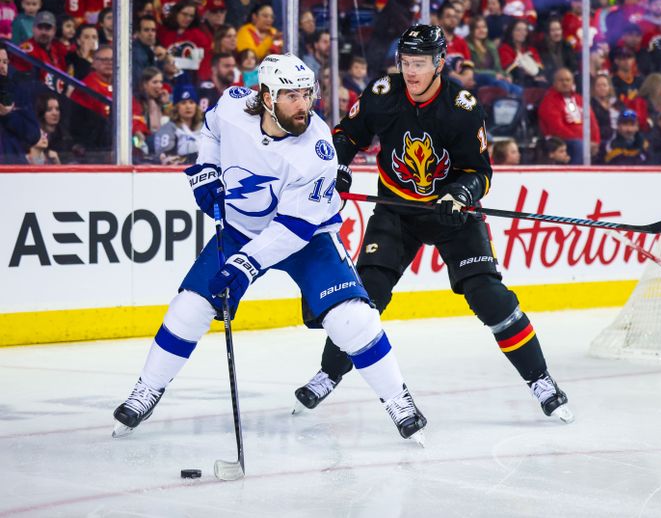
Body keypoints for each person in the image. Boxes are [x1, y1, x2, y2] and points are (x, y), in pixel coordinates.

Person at [112, 53, 427, 442]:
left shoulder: (316, 149)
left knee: (352, 319)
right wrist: (206, 170)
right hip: (242, 229)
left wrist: (244, 264)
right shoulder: (231, 106)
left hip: (308, 238)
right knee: (189, 307)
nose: (303, 105)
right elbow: (210, 131)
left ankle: (398, 399)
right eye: (291, 96)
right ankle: (148, 389)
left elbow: (293, 228)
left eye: (307, 94)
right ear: (266, 97)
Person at [292, 25, 574, 425]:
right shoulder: (382, 94)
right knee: (364, 295)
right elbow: (346, 136)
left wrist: (459, 195)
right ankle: (328, 374)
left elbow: (480, 173)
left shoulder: (460, 106)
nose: (410, 71)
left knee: (488, 296)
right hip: (397, 211)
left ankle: (541, 380)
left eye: (420, 63)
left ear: (440, 63)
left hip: (451, 215)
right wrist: (338, 168)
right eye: (405, 62)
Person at [538, 67, 600, 165]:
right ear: (554, 82)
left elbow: (592, 122)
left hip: (583, 141)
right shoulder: (549, 101)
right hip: (561, 140)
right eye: (561, 80)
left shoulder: (579, 99)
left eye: (568, 80)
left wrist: (595, 141)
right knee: (579, 146)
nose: (565, 83)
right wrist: (583, 141)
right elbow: (556, 128)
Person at [152, 85, 203, 164]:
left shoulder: (205, 128)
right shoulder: (168, 129)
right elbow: (167, 159)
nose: (188, 106)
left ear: (196, 106)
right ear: (176, 107)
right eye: (183, 103)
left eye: (191, 102)